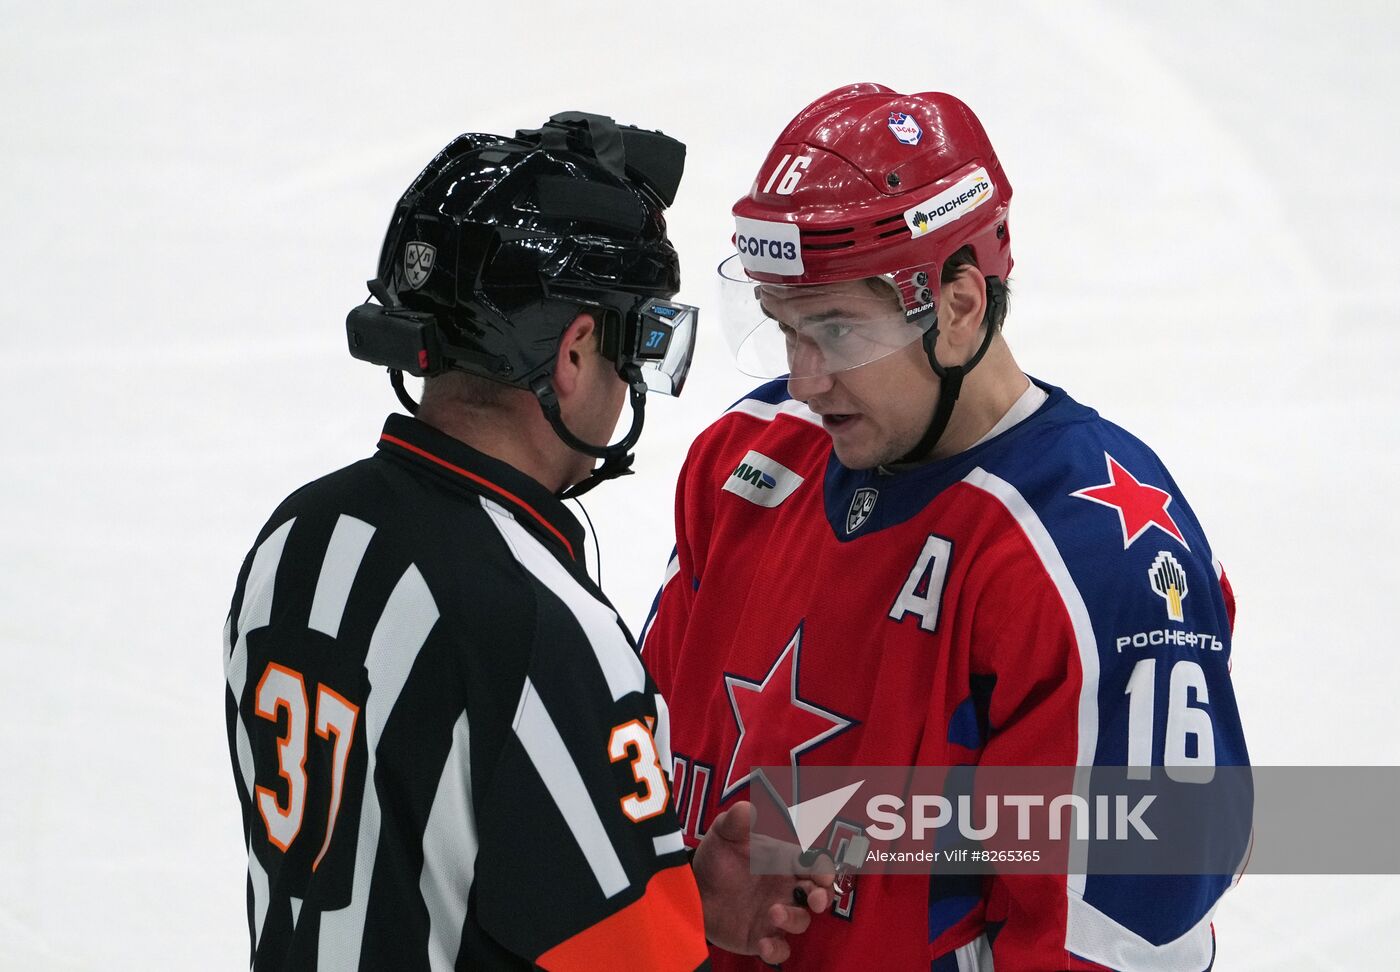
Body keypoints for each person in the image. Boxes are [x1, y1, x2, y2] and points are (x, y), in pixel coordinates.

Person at [640, 85, 1249, 970]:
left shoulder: (1091, 548)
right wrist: (679, 894)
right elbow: (645, 766)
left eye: (838, 332)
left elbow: (1122, 934)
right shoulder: (746, 461)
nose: (803, 379)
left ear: (960, 303)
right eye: (784, 330)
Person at [224, 112, 830, 971]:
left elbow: (416, 848)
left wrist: (671, 889)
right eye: (636, 339)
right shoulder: (535, 624)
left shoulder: (298, 540)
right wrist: (657, 917)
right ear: (576, 351)